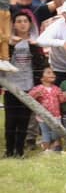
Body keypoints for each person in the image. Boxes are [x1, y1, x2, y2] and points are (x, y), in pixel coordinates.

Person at [3, 11, 35, 157]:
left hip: (28, 86)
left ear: (30, 24)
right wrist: (9, 45)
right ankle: (9, 150)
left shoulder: (34, 42)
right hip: (11, 86)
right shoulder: (6, 42)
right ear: (14, 25)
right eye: (19, 21)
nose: (22, 24)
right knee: (10, 121)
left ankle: (20, 150)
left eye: (25, 21)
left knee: (24, 120)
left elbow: (40, 63)